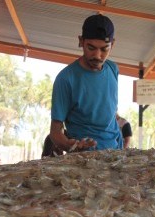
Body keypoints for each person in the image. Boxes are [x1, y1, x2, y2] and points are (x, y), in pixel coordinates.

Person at [49, 14, 123, 152]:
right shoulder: (66, 79)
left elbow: (110, 113)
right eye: (91, 48)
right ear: (81, 41)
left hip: (116, 153)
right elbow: (55, 133)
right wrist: (72, 146)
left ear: (112, 44)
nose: (97, 55)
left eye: (104, 49)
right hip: (84, 160)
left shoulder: (113, 69)